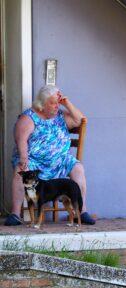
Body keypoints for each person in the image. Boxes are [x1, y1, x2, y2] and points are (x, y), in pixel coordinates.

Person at [5, 85, 95, 226]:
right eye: (52, 103)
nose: (56, 106)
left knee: (78, 168)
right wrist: (24, 158)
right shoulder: (28, 118)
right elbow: (20, 140)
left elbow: (80, 120)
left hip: (59, 161)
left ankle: (82, 212)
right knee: (20, 170)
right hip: (35, 161)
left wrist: (67, 103)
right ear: (41, 104)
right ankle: (15, 214)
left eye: (57, 102)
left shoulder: (61, 115)